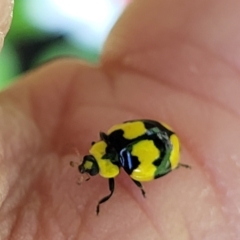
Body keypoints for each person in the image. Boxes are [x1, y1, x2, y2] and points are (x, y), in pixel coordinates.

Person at [0, 0, 239, 239]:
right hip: (162, 135)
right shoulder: (115, 142)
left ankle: (177, 165)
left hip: (167, 143)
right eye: (92, 163)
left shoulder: (126, 160)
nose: (88, 163)